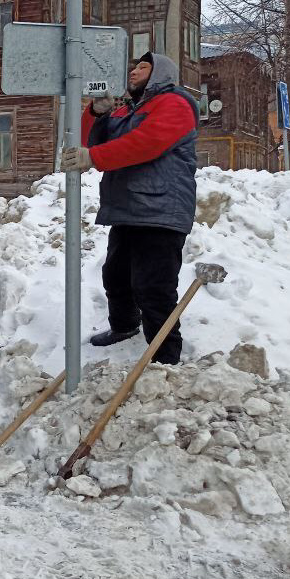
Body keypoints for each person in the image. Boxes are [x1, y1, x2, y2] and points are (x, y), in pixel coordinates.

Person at [61, 52, 200, 365]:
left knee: (153, 286)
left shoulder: (175, 103)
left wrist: (92, 158)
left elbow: (146, 143)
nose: (134, 72)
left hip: (161, 210)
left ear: (161, 73)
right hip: (129, 209)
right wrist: (98, 113)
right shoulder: (130, 110)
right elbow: (93, 142)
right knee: (116, 275)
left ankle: (165, 357)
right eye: (134, 67)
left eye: (143, 67)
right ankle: (124, 327)